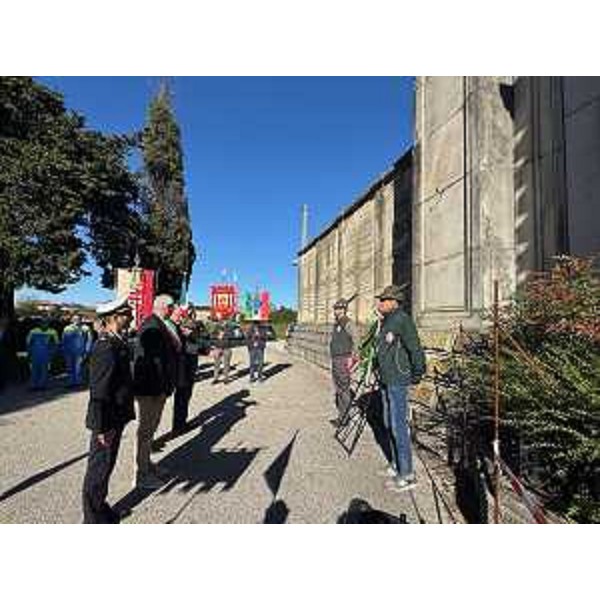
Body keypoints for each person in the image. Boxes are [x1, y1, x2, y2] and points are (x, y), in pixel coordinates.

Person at [82, 296, 135, 523]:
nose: (131, 317)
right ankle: (92, 519)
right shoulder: (105, 347)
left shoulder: (117, 341)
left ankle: (100, 507)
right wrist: (102, 427)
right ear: (114, 317)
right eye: (127, 314)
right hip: (107, 419)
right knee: (99, 468)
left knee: (107, 465)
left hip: (116, 416)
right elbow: (99, 391)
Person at [374, 284, 426, 493]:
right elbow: (382, 348)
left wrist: (417, 372)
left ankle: (408, 474)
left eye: (383, 300)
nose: (380, 303)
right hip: (386, 380)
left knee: (398, 427)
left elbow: (415, 348)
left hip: (398, 380)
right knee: (388, 423)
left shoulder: (402, 320)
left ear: (394, 302)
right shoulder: (386, 321)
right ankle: (396, 465)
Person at [132, 294, 179, 489]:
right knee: (146, 431)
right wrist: (159, 389)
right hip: (151, 389)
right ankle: (141, 474)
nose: (174, 310)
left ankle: (147, 464)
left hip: (158, 388)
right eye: (172, 307)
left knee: (151, 430)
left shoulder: (159, 324)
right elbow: (148, 362)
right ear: (164, 307)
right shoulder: (151, 326)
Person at [329, 299, 357, 427]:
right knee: (339, 388)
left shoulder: (348, 323)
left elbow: (356, 339)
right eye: (335, 308)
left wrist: (353, 357)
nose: (336, 311)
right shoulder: (337, 323)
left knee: (344, 388)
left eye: (339, 309)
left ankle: (345, 418)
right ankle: (342, 415)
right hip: (336, 359)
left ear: (344, 310)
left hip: (343, 358)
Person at [171, 311, 200, 434]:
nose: (191, 331)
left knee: (184, 400)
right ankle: (179, 426)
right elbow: (193, 349)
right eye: (188, 329)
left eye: (192, 329)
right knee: (181, 401)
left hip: (188, 374)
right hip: (183, 376)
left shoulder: (190, 338)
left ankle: (180, 424)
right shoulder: (182, 338)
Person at [26, 318, 59, 390]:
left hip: (46, 354)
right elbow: (28, 342)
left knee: (44, 370)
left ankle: (42, 385)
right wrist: (29, 352)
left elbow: (56, 343)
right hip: (35, 353)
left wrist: (52, 353)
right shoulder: (33, 331)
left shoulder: (53, 331)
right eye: (43, 323)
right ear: (39, 324)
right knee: (34, 370)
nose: (44, 324)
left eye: (46, 323)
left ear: (48, 324)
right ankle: (33, 385)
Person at [62, 314, 92, 387]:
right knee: (69, 367)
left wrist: (87, 350)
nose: (76, 320)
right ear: (72, 320)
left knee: (79, 368)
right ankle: (70, 382)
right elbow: (64, 340)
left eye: (78, 319)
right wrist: (63, 350)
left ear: (81, 319)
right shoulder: (67, 328)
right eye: (74, 319)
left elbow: (89, 340)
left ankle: (78, 383)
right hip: (68, 351)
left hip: (80, 351)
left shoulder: (86, 328)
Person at [246, 319, 267, 383]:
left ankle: (259, 376)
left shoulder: (263, 328)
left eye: (257, 322)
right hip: (252, 348)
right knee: (252, 363)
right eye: (254, 322)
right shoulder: (250, 328)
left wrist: (259, 335)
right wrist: (249, 346)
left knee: (260, 363)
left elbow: (265, 337)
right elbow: (247, 338)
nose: (255, 324)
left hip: (260, 347)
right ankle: (252, 377)